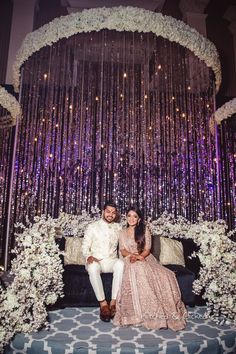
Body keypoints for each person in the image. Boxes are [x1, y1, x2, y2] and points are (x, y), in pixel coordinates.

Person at [113, 206, 187, 331]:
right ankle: (139, 313)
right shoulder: (122, 232)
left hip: (144, 257)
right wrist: (132, 256)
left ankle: (159, 311)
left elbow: (147, 249)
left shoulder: (144, 230)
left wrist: (139, 257)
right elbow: (123, 250)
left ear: (139, 219)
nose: (131, 218)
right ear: (126, 217)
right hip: (129, 259)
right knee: (137, 269)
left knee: (166, 274)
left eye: (134, 216)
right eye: (129, 215)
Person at [82, 201, 124, 322]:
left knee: (120, 264)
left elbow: (123, 246)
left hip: (111, 260)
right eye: (108, 211)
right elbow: (85, 246)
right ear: (103, 212)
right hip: (97, 260)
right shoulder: (92, 227)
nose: (110, 214)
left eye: (113, 212)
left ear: (116, 214)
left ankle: (113, 302)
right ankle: (103, 305)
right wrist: (88, 256)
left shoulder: (119, 228)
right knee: (93, 267)